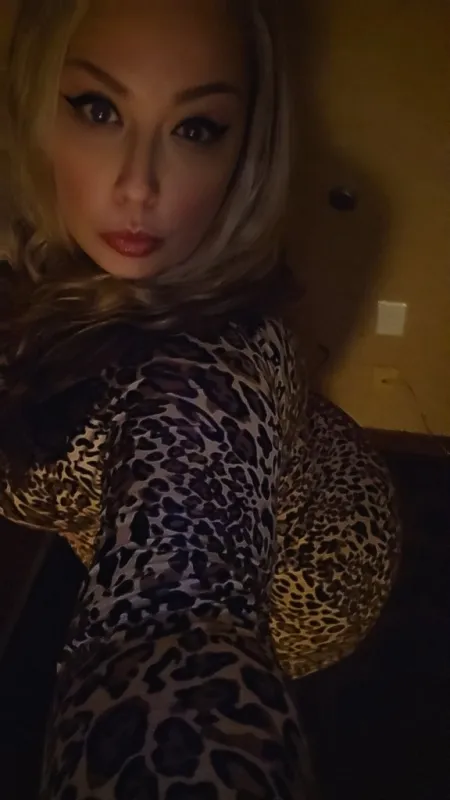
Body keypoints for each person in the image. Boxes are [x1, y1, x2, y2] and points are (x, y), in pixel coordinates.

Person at [0, 0, 400, 797]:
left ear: (245, 148)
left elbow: (173, 620)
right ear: (35, 103)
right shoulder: (44, 253)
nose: (137, 186)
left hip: (315, 579)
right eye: (99, 109)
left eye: (195, 128)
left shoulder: (209, 367)